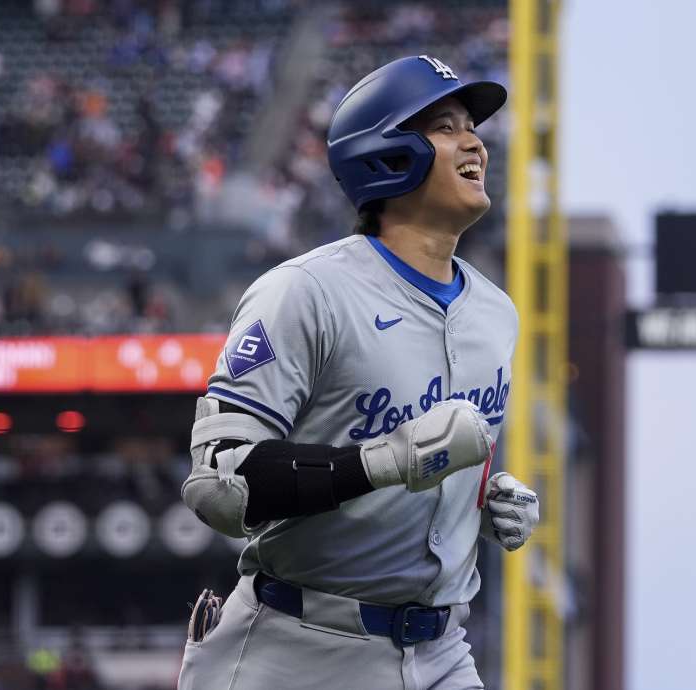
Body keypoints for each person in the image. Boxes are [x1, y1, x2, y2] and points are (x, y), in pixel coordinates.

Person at [178, 55, 541, 690]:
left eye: (472, 126)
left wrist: (484, 496)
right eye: (445, 125)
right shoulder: (304, 291)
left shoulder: (496, 312)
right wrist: (383, 462)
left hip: (441, 651)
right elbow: (220, 484)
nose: (474, 140)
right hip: (298, 647)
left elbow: (440, 451)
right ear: (388, 152)